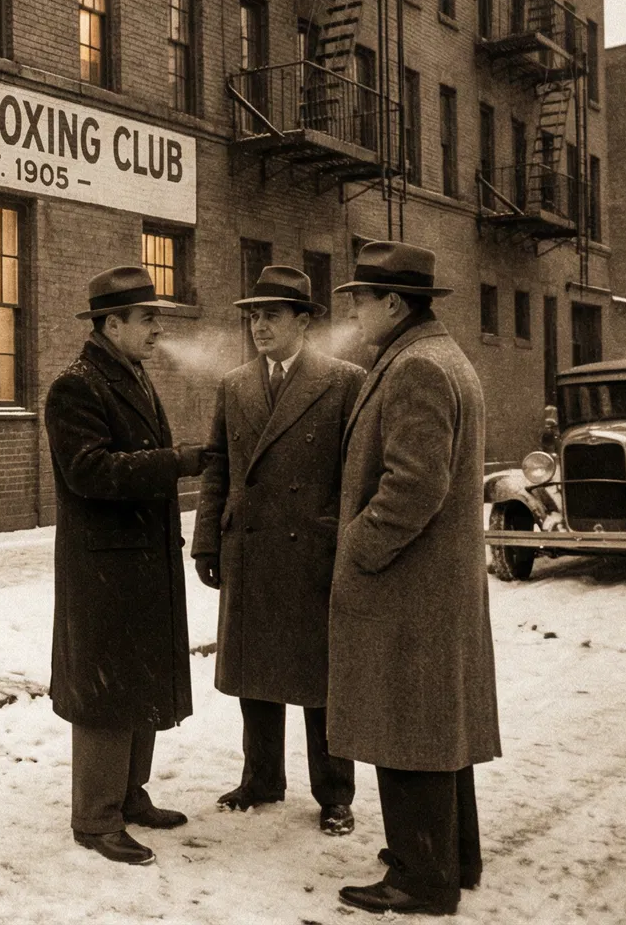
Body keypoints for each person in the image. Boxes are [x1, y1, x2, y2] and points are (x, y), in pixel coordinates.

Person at [328, 241, 501, 916]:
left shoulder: (416, 368)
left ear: (394, 304)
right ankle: (453, 857)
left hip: (408, 589)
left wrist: (357, 548)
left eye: (361, 300)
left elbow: (413, 485)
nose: (355, 312)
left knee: (407, 731)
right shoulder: (439, 357)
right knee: (436, 727)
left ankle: (420, 879)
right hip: (434, 589)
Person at [192, 266, 364, 836]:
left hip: (313, 549)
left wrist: (341, 535)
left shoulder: (344, 382)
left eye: (271, 315)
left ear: (304, 321)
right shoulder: (236, 383)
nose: (258, 326)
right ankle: (261, 777)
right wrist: (207, 538)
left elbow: (356, 473)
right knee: (255, 671)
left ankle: (334, 793)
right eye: (253, 316)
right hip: (252, 546)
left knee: (321, 679)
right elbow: (220, 466)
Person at [44, 266, 208, 866]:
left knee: (136, 682)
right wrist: (178, 461)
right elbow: (90, 471)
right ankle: (95, 817)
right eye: (146, 319)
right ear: (111, 325)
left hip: (137, 566)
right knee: (105, 692)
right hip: (104, 572)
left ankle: (129, 794)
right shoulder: (76, 386)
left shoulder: (129, 375)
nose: (156, 329)